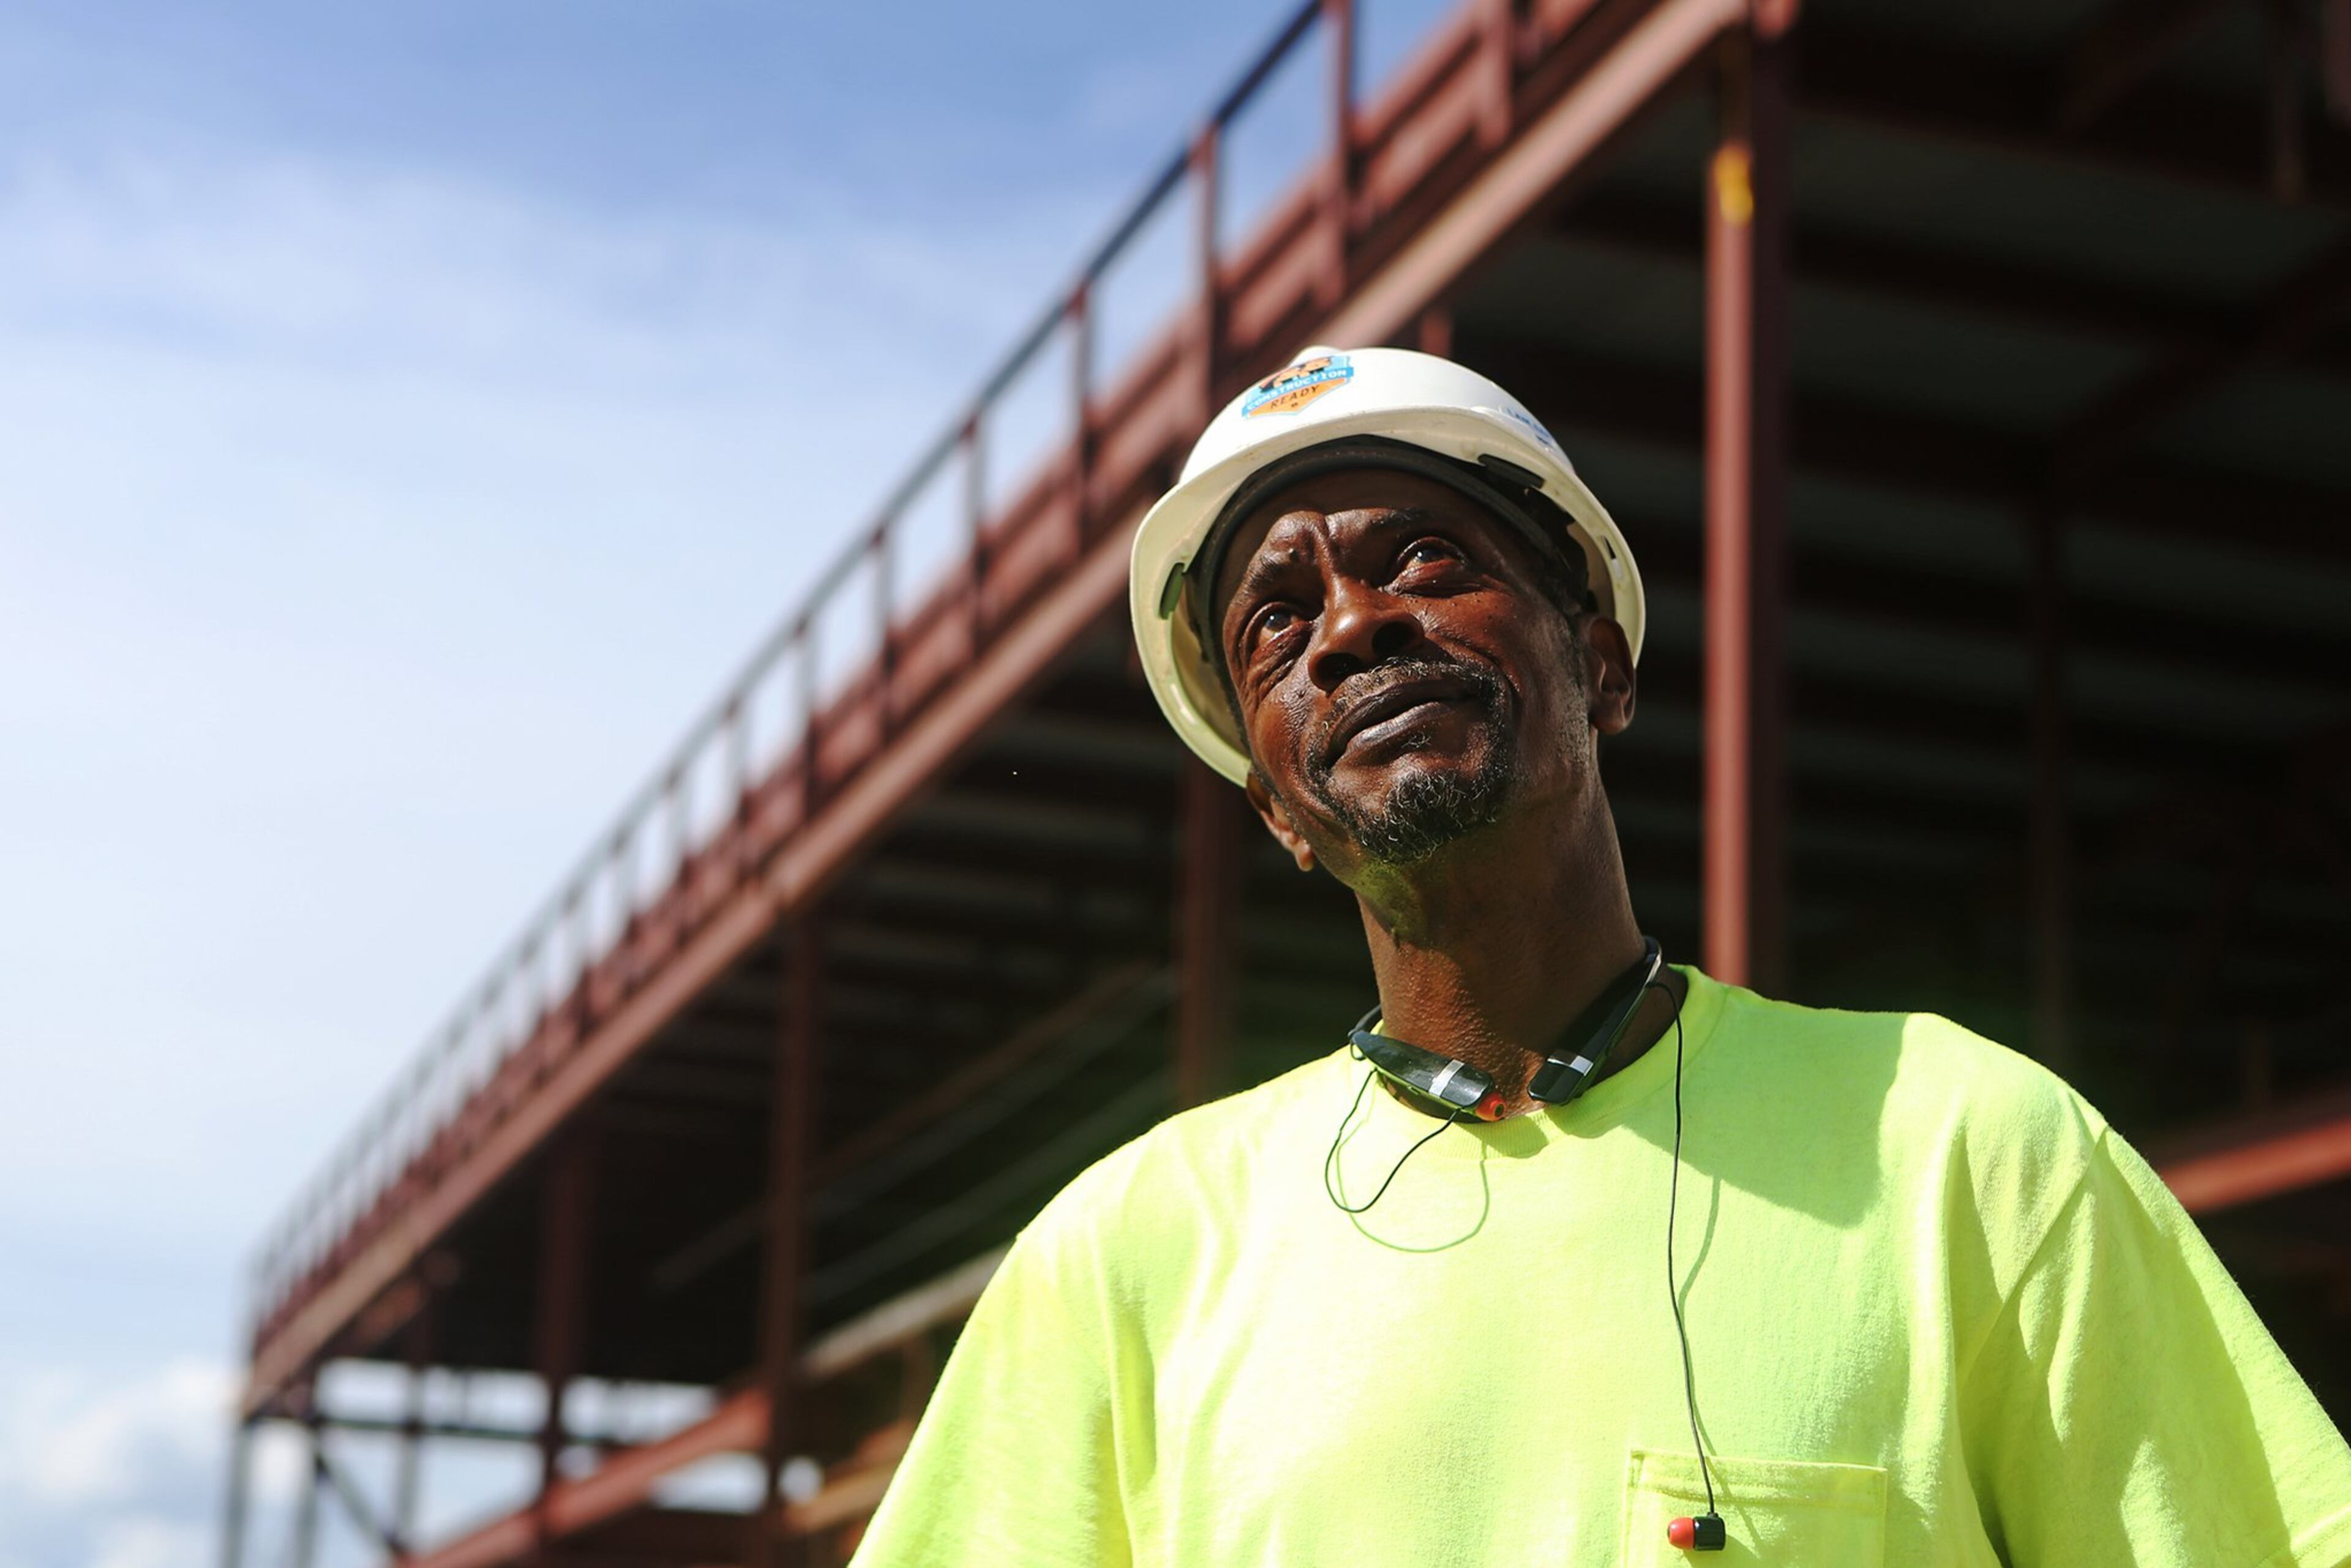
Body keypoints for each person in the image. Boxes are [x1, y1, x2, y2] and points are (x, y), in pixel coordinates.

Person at [850, 348, 2351, 1565]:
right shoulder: (1124, 1261)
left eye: (1425, 559)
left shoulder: (1969, 1153)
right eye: (1276, 621)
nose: (1354, 628)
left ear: (1603, 660)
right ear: (1279, 811)